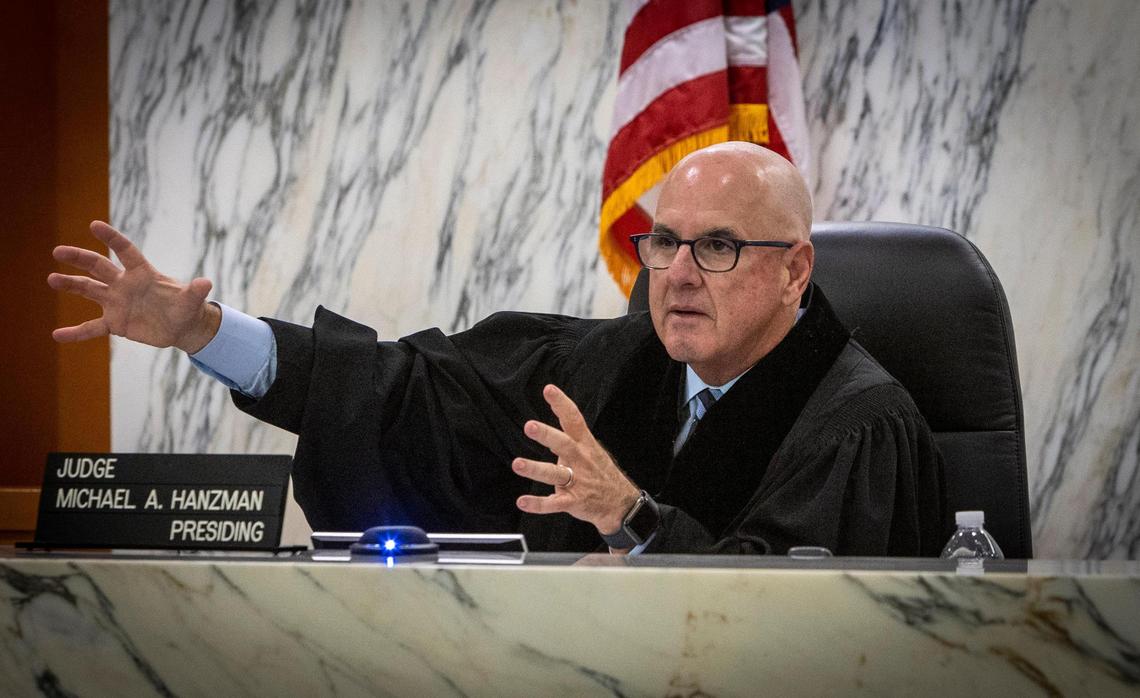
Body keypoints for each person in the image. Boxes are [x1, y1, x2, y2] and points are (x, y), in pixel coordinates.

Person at [49, 142, 945, 555]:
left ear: (794, 270)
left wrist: (632, 517)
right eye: (665, 242)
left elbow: (797, 631)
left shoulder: (858, 427)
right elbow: (406, 392)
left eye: (716, 247)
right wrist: (205, 331)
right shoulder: (604, 370)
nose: (676, 273)